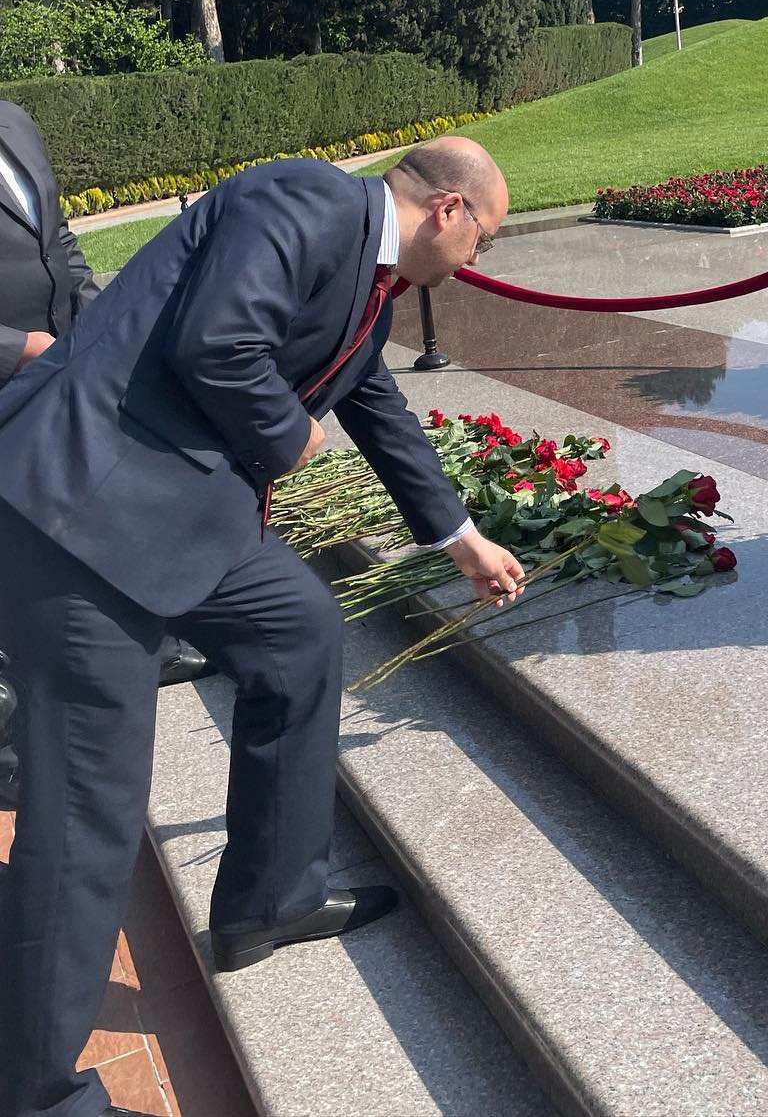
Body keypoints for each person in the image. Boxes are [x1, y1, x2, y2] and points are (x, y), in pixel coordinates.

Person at [0, 137, 525, 1117]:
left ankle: (270, 899)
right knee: (88, 815)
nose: (477, 259)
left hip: (174, 515)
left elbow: (380, 409)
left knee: (298, 625)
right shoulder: (304, 199)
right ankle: (33, 1093)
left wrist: (461, 539)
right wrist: (292, 436)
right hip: (82, 517)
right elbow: (218, 343)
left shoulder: (370, 291)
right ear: (449, 209)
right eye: (483, 238)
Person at [0, 102, 212, 814]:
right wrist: (20, 349)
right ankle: (9, 755)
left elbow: (57, 240)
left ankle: (146, 643)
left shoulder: (15, 122)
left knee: (94, 503)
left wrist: (104, 323)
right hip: (13, 370)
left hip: (60, 372)